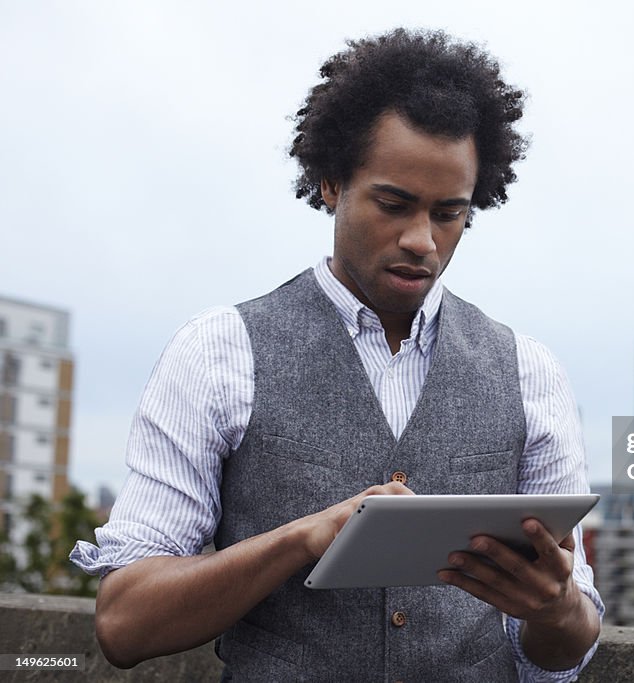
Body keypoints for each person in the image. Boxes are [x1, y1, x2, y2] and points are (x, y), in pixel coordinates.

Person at [71, 28, 603, 682]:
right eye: (394, 203)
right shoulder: (218, 352)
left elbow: (567, 644)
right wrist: (303, 537)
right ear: (330, 182)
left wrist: (556, 607)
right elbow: (125, 624)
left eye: (449, 214)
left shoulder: (530, 372)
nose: (422, 241)